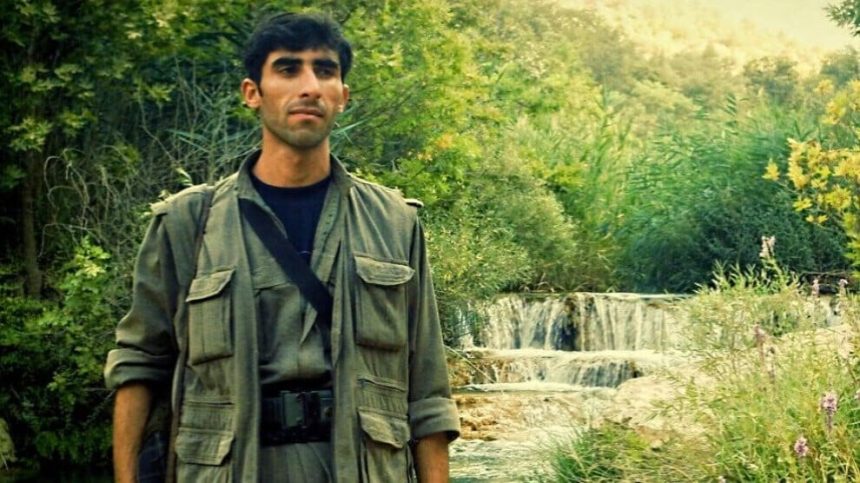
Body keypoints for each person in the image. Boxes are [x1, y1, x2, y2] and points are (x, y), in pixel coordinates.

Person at [104, 12, 459, 483]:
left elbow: (428, 393)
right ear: (253, 92)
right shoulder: (188, 223)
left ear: (343, 96)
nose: (309, 86)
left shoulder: (394, 223)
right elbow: (140, 367)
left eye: (324, 70)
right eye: (288, 69)